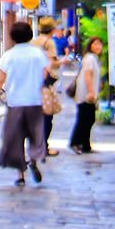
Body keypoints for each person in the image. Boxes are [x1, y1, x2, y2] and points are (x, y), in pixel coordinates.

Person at [0, 21, 48, 186]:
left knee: (15, 137)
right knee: (36, 134)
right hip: (34, 100)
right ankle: (35, 158)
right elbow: (45, 74)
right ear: (30, 35)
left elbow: (0, 81)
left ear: (12, 36)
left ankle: (21, 174)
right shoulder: (38, 54)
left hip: (15, 102)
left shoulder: (9, 55)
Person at [34, 16, 73, 157]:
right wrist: (63, 62)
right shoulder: (49, 43)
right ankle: (44, 146)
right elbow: (52, 62)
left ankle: (37, 144)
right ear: (51, 30)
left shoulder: (33, 41)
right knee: (47, 115)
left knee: (37, 116)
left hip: (34, 82)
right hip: (46, 82)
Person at [68, 36, 103, 155]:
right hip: (86, 94)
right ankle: (75, 142)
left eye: (100, 44)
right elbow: (87, 76)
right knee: (85, 119)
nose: (98, 47)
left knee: (88, 118)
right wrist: (91, 92)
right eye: (95, 44)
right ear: (90, 46)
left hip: (87, 93)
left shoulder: (93, 58)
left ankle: (86, 145)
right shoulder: (90, 58)